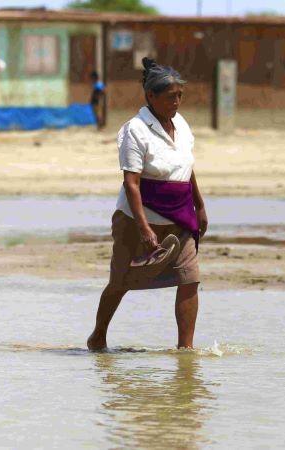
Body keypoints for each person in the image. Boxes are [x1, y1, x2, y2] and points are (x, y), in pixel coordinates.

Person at [87, 58, 209, 351]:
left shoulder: (181, 124)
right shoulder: (135, 130)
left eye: (180, 95)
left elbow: (186, 168)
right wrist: (143, 227)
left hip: (180, 217)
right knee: (120, 281)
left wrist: (200, 207)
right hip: (136, 219)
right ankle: (98, 336)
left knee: (190, 279)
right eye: (170, 97)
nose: (177, 102)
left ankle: (185, 350)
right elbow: (132, 183)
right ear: (150, 96)